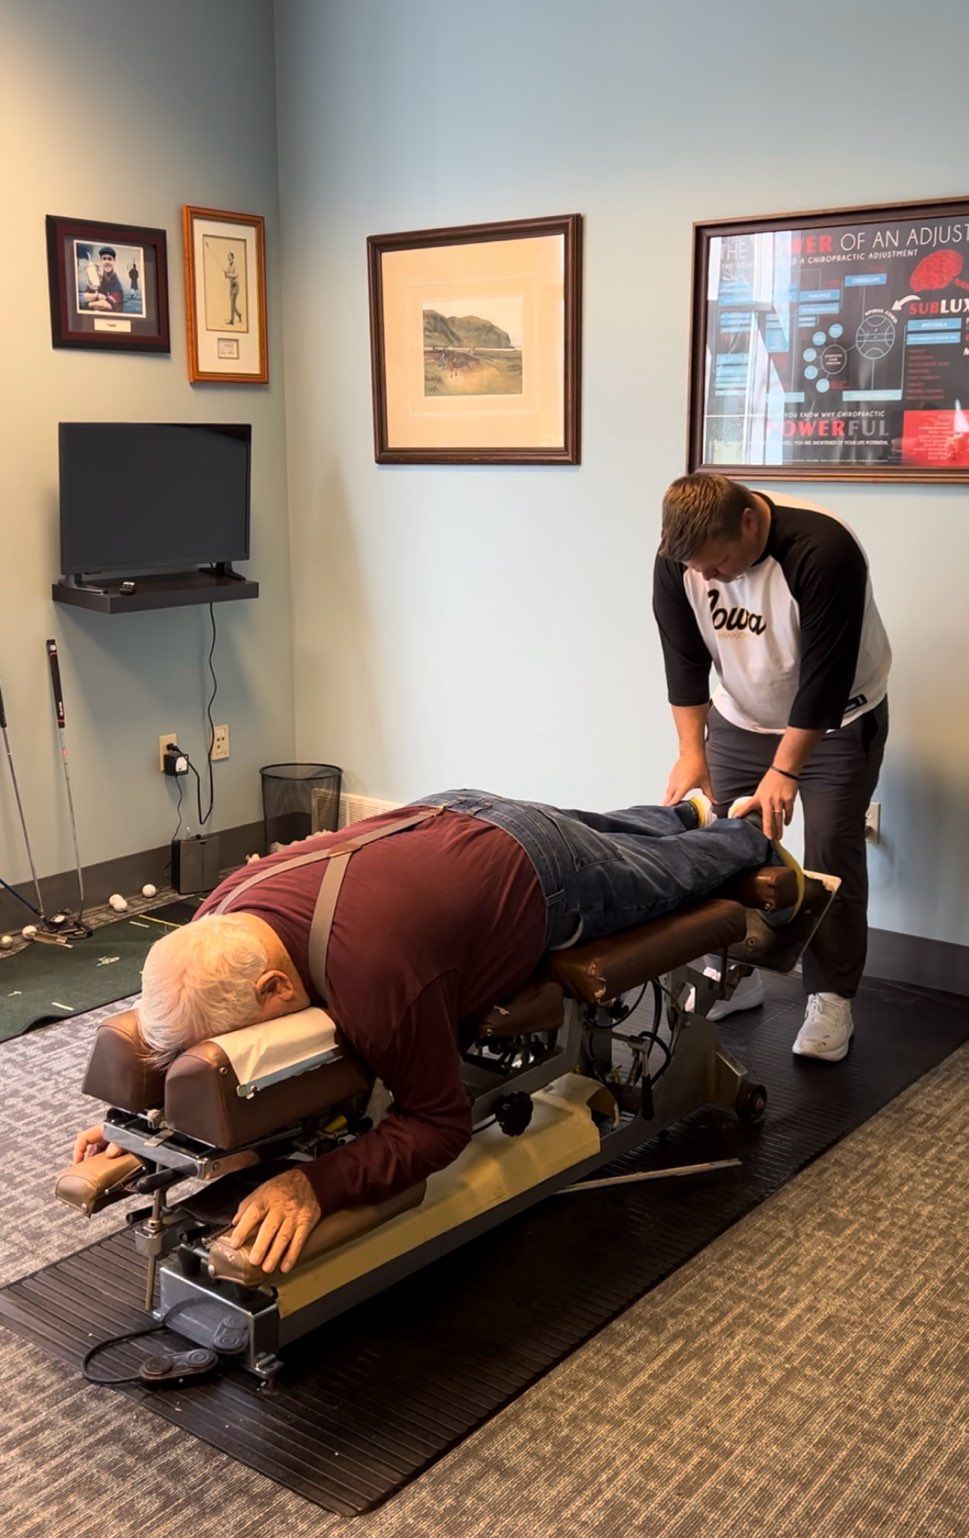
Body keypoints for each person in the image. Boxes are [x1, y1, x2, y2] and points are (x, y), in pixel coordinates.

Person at [73, 787, 780, 1273]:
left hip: (540, 870)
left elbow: (437, 1124)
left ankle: (745, 829)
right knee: (616, 836)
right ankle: (677, 811)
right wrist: (143, 1120)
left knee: (671, 874)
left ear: (275, 989)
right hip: (441, 813)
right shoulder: (216, 916)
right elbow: (184, 1034)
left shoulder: (377, 981)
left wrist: (314, 1186)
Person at [654, 472, 891, 1063]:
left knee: (831, 850)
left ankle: (832, 997)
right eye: (698, 569)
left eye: (718, 563)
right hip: (741, 716)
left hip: (838, 716)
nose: (709, 578)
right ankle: (733, 975)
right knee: (727, 841)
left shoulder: (823, 548)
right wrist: (693, 752)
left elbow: (826, 678)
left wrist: (785, 771)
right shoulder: (679, 560)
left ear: (749, 523)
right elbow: (684, 660)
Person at [82, 246, 125, 313]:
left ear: (114, 261)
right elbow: (84, 296)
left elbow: (107, 305)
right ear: (101, 260)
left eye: (109, 259)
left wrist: (89, 303)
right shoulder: (97, 279)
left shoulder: (117, 285)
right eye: (104, 259)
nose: (107, 262)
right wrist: (98, 296)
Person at [223, 251, 240, 325]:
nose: (228, 257)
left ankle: (232, 320)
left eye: (229, 256)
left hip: (236, 286)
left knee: (232, 303)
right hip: (231, 286)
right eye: (228, 256)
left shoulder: (235, 265)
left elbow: (235, 275)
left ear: (232, 257)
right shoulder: (228, 266)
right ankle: (239, 314)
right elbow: (227, 277)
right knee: (232, 303)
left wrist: (228, 274)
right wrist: (225, 273)